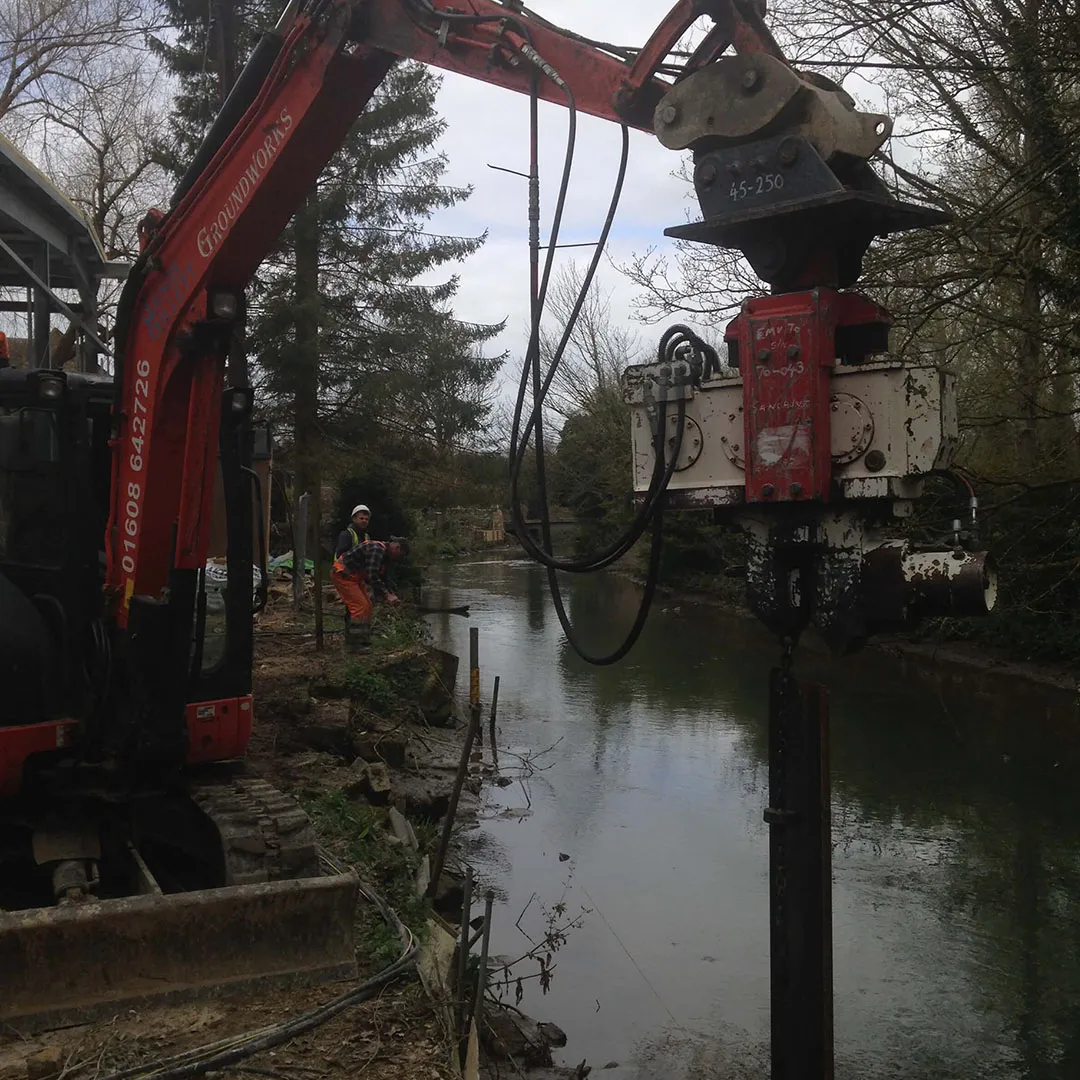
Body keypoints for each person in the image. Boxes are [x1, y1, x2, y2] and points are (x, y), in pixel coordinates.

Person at [332, 536, 409, 653]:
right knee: (360, 607)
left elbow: (382, 577)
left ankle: (362, 641)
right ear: (397, 548)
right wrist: (387, 595)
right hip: (343, 574)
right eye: (399, 556)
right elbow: (371, 574)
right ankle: (354, 645)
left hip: (354, 578)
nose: (397, 559)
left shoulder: (384, 555)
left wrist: (388, 593)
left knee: (367, 606)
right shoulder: (378, 549)